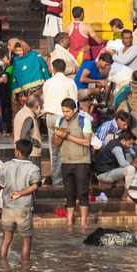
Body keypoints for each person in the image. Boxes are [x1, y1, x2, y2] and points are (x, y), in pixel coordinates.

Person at [50, 98, 93, 228]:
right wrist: (59, 137)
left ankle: (83, 222)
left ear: (75, 110)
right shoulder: (60, 122)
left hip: (81, 161)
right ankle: (69, 221)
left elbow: (87, 142)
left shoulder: (84, 121)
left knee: (82, 192)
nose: (65, 114)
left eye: (67, 111)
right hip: (66, 161)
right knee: (69, 192)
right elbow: (56, 144)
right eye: (63, 111)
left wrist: (67, 136)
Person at [0, 138, 41, 261]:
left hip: (8, 208)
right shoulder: (33, 168)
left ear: (17, 151)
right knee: (26, 242)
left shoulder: (6, 166)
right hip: (24, 209)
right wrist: (20, 194)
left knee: (6, 240)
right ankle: (25, 268)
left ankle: (2, 266)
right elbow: (35, 185)